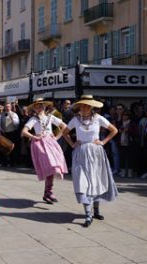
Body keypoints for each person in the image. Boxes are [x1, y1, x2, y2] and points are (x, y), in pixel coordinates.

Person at [63, 95, 118, 227]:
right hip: (81, 153)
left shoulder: (98, 118)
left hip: (96, 153)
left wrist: (103, 142)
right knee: (82, 182)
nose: (85, 107)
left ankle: (96, 211)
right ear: (79, 106)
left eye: (87, 105)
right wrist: (72, 144)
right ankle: (88, 214)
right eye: (83, 105)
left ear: (92, 107)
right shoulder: (75, 120)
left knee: (96, 181)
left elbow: (114, 130)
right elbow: (65, 132)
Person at [21, 98, 68, 204]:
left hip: (51, 143)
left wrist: (56, 137)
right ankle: (48, 193)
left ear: (45, 106)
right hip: (40, 145)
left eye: (40, 106)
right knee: (50, 166)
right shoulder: (33, 119)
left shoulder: (51, 117)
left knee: (54, 166)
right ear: (34, 108)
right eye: (37, 106)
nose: (39, 108)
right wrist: (34, 136)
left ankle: (48, 193)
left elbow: (64, 126)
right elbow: (24, 131)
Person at [0, 102, 20, 167]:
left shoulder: (14, 114)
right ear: (5, 107)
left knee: (12, 148)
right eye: (6, 106)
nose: (7, 108)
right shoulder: (1, 115)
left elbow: (17, 125)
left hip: (12, 133)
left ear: (11, 107)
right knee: (4, 148)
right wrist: (2, 131)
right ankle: (4, 162)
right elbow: (0, 124)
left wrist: (12, 118)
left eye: (8, 106)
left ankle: (12, 163)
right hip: (4, 133)